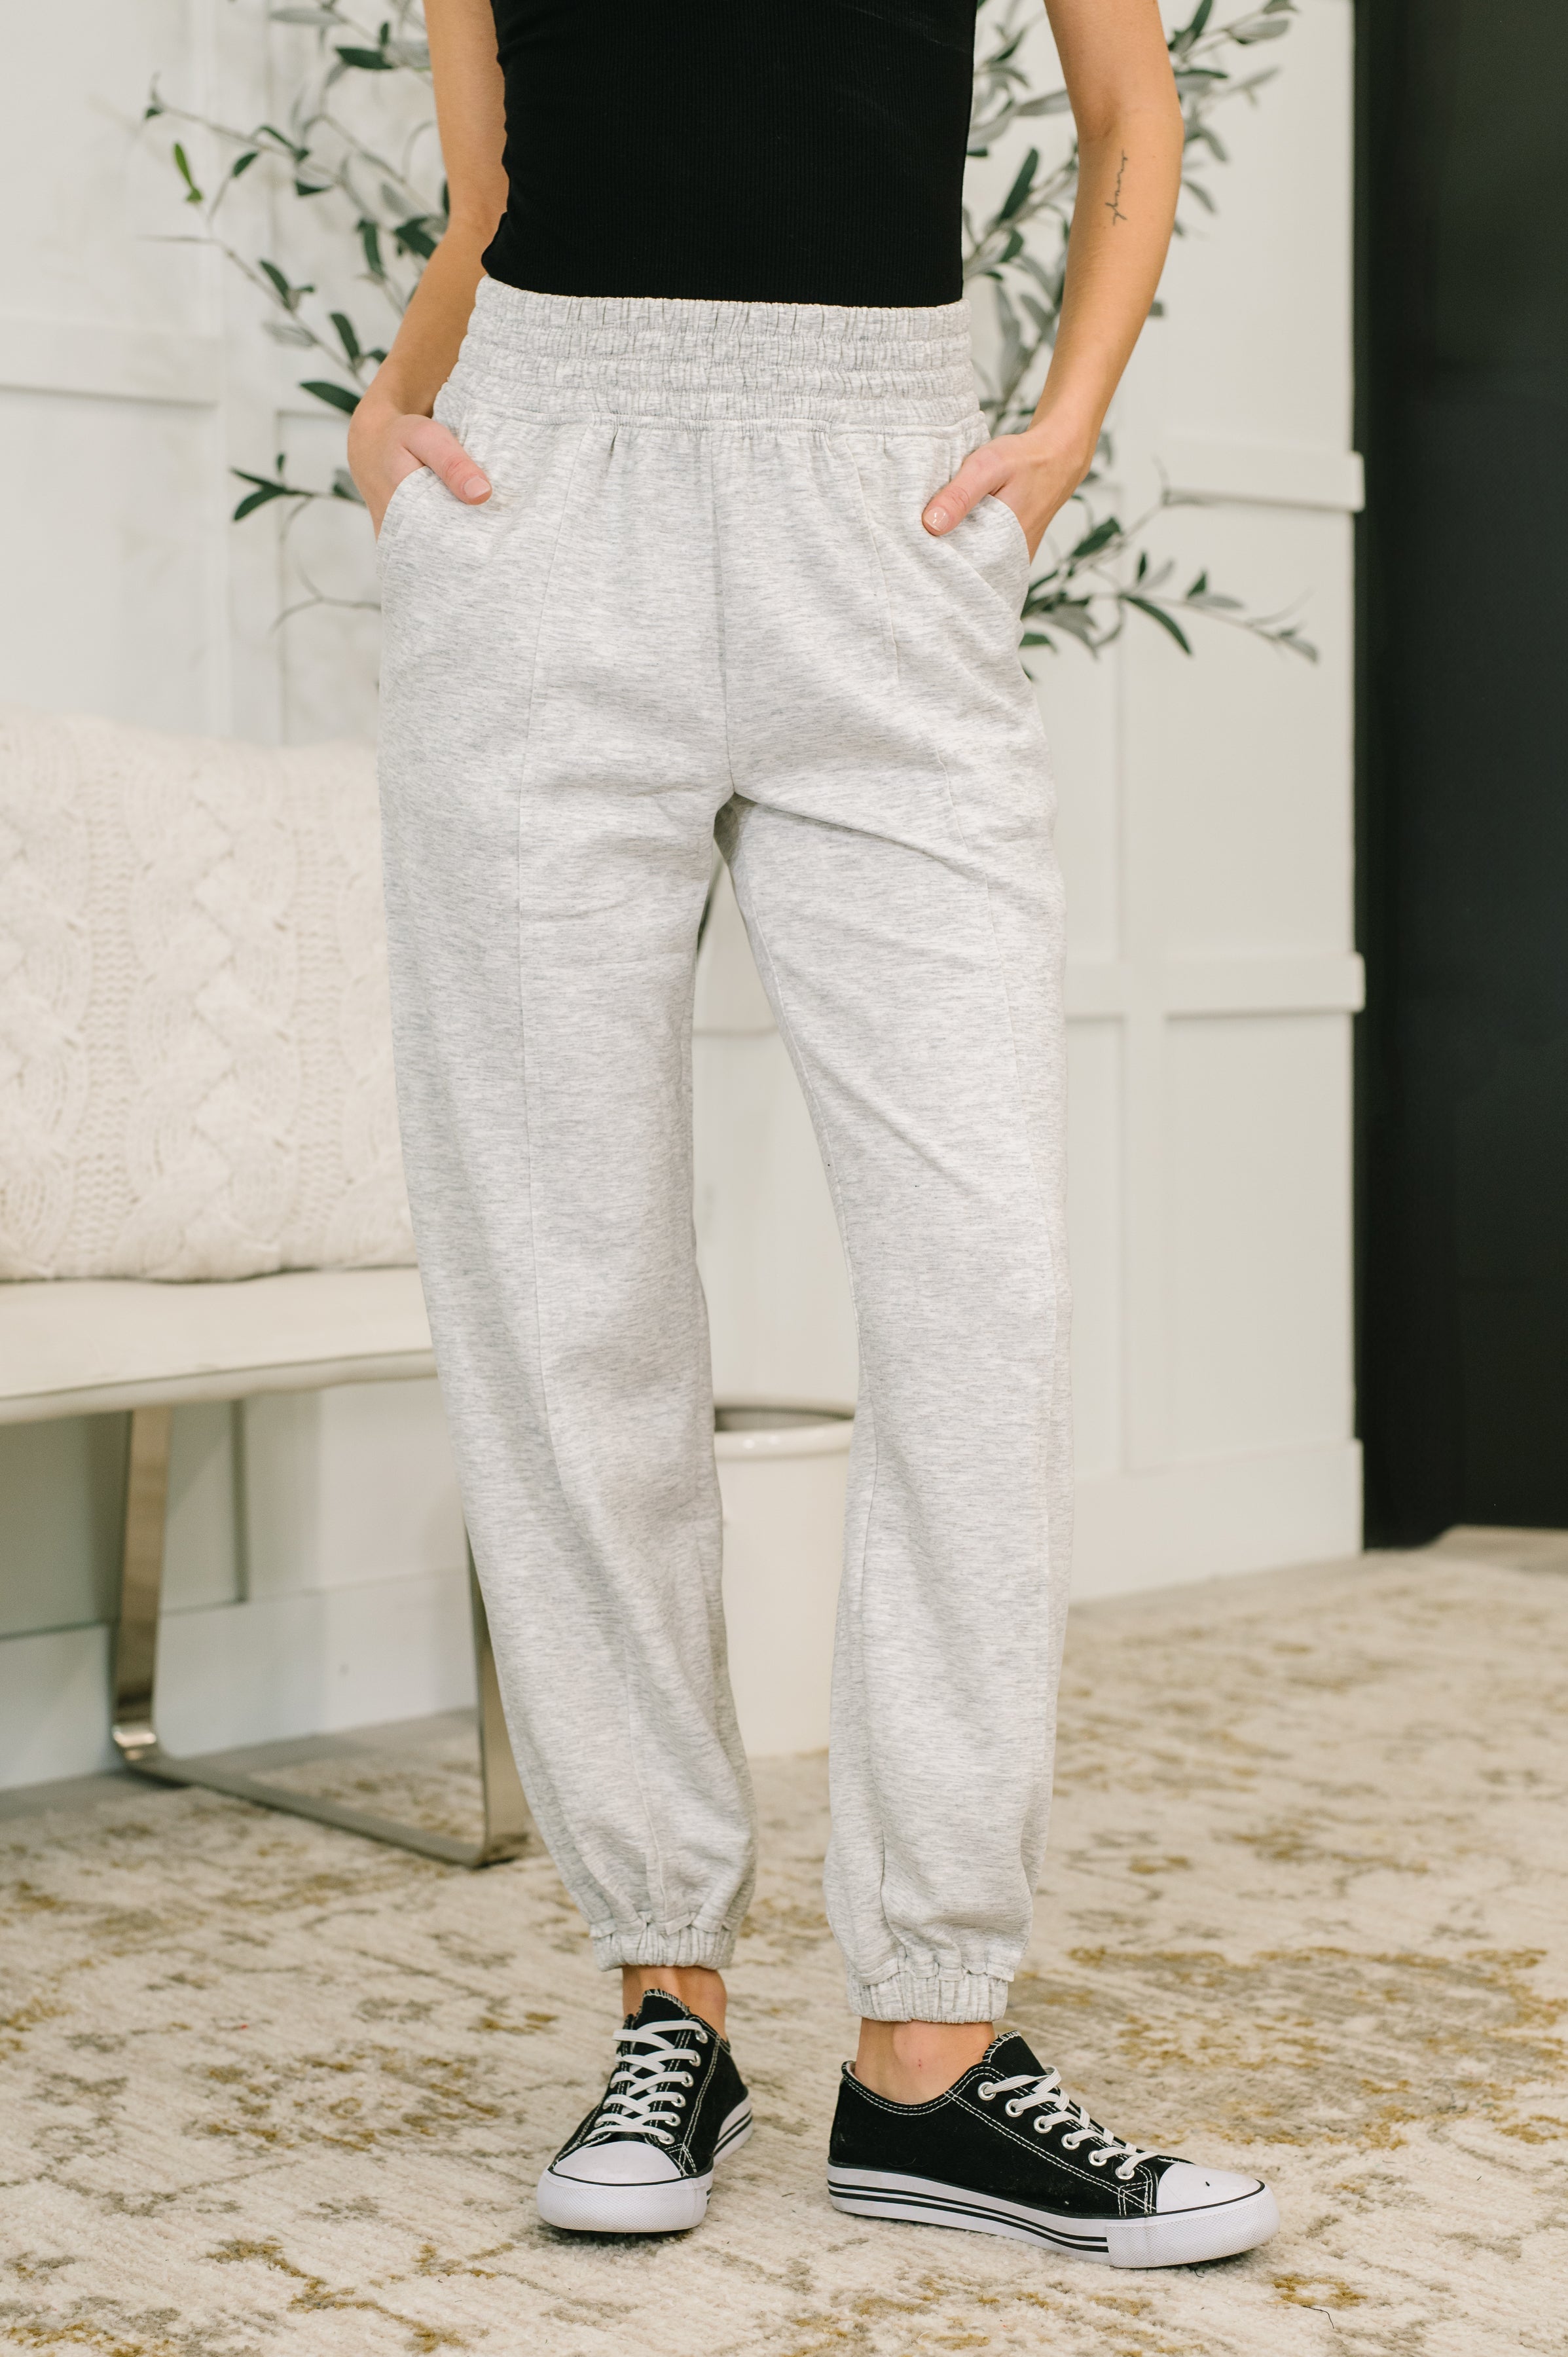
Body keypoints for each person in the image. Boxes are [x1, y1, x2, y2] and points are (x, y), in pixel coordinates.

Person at [350, 0, 1279, 2267]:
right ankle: (662, 1995)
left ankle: (931, 2051)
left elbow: (1127, 102)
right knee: (564, 1283)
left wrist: (1059, 428)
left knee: (980, 1286)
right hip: (540, 517)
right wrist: (394, 416)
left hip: (881, 504)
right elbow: (491, 188)